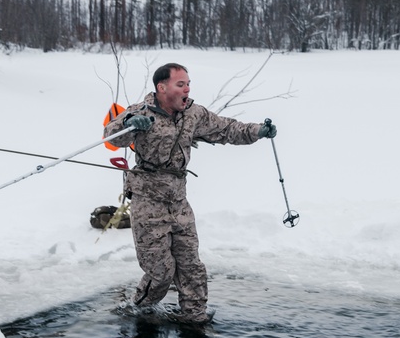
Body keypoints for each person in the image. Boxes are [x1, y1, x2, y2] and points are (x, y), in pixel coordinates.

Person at [103, 63, 276, 324]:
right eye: (180, 84)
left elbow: (226, 129)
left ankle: (195, 319)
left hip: (179, 202)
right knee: (161, 274)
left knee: (191, 268)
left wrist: (258, 131)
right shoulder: (140, 113)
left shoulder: (193, 114)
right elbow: (111, 136)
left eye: (188, 83)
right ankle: (135, 312)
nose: (187, 89)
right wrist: (129, 123)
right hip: (148, 202)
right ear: (162, 88)